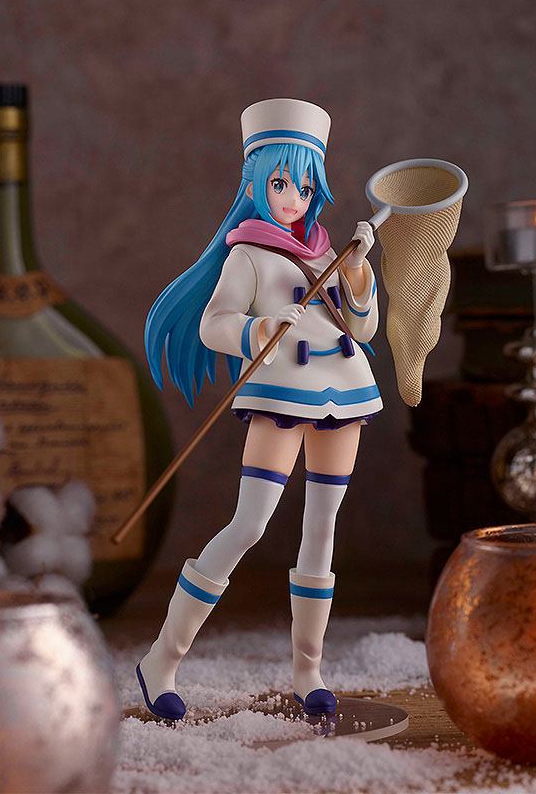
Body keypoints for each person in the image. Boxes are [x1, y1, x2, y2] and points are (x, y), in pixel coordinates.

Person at [137, 98, 381, 720]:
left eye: (305, 186)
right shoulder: (246, 254)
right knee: (249, 523)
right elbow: (214, 323)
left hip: (343, 393)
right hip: (280, 398)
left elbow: (364, 328)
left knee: (322, 526)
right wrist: (259, 329)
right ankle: (162, 658)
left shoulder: (327, 250)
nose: (294, 198)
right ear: (254, 185)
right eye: (280, 184)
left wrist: (358, 275)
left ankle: (308, 669)